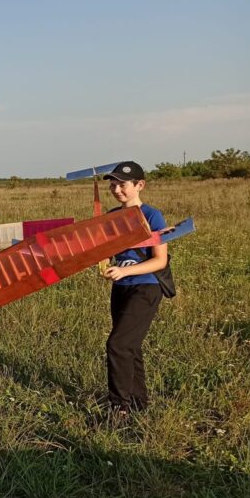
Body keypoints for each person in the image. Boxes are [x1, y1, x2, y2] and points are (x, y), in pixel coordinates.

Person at [101, 161, 168, 416]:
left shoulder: (152, 216)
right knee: (130, 346)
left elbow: (159, 260)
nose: (117, 189)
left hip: (145, 287)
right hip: (120, 288)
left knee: (117, 345)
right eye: (113, 184)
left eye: (123, 184)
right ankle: (139, 403)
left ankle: (119, 408)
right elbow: (102, 250)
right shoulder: (111, 217)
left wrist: (124, 270)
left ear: (139, 185)